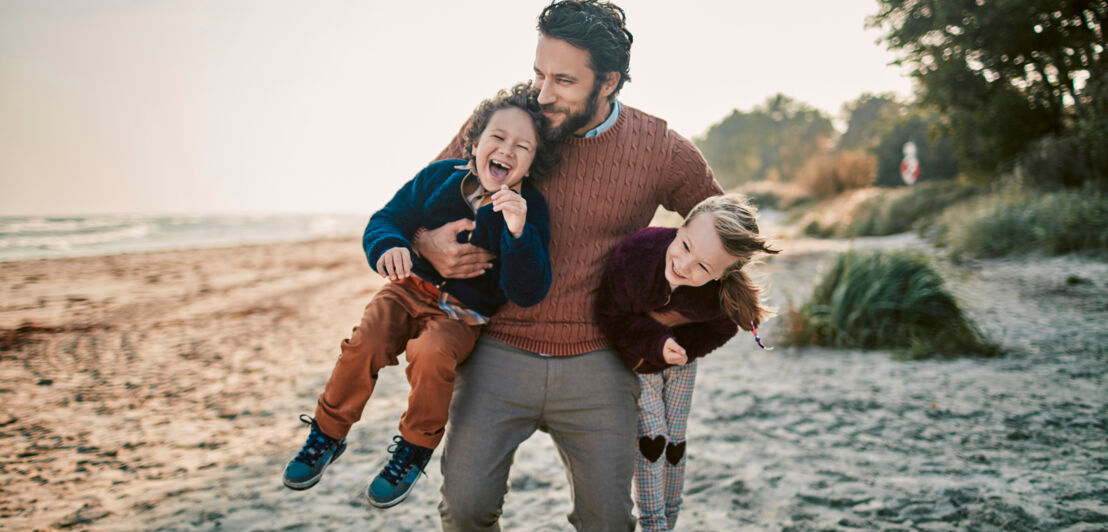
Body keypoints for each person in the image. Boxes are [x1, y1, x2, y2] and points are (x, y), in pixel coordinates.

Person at [408, 1, 724, 529]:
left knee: (606, 521)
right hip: (494, 350)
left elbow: (726, 233)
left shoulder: (661, 149)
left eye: (563, 80)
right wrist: (426, 240)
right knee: (463, 512)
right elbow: (414, 203)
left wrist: (671, 316)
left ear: (608, 83)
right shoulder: (501, 127)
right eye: (537, 73)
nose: (543, 93)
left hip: (601, 363)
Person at [282, 82, 558, 509]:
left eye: (523, 146)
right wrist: (392, 246)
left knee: (430, 354)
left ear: (533, 162)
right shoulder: (438, 177)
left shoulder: (528, 209)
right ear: (476, 142)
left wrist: (519, 232)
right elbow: (387, 218)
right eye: (498, 138)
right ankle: (327, 433)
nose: (507, 150)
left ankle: (414, 448)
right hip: (406, 291)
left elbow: (528, 290)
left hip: (461, 314)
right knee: (365, 342)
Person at [596, 194, 779, 531]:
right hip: (641, 360)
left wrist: (682, 348)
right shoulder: (637, 256)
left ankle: (671, 516)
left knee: (676, 440)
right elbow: (610, 315)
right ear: (681, 226)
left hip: (682, 362)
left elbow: (720, 329)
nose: (684, 265)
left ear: (721, 275)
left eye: (703, 268)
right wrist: (657, 341)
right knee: (652, 438)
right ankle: (654, 524)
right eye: (685, 246)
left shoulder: (717, 295)